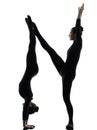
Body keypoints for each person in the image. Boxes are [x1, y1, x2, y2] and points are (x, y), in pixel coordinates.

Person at [32, 3, 84, 130]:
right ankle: (36, 32)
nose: (68, 34)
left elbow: (77, 29)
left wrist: (79, 15)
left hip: (69, 74)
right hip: (64, 68)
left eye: (70, 33)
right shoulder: (73, 45)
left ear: (75, 34)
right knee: (50, 50)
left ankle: (71, 122)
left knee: (66, 99)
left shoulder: (78, 44)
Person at [19, 16, 39, 130]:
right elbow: (25, 110)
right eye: (28, 107)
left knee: (32, 45)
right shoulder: (28, 97)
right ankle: (30, 25)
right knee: (32, 44)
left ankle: (30, 26)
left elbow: (26, 109)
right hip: (31, 69)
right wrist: (25, 124)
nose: (24, 107)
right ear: (30, 106)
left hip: (32, 69)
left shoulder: (26, 96)